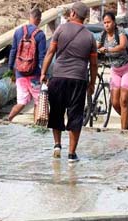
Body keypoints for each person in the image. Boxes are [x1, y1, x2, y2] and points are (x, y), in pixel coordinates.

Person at [39, 1, 98, 163]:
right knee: (75, 115)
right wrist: (92, 83)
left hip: (58, 77)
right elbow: (93, 64)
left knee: (57, 111)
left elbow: (50, 52)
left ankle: (57, 145)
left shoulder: (61, 29)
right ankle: (72, 154)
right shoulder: (90, 37)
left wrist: (43, 72)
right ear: (84, 18)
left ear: (73, 14)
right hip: (78, 79)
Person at [97, 11, 128, 130]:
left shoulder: (120, 32)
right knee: (115, 102)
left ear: (114, 22)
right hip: (116, 70)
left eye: (109, 22)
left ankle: (123, 130)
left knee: (123, 100)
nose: (107, 25)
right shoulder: (103, 35)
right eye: (104, 23)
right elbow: (96, 45)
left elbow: (122, 46)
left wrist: (108, 49)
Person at [6, 7, 46, 122]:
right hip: (35, 75)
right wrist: (44, 74)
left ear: (30, 17)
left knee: (22, 102)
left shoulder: (18, 32)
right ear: (39, 19)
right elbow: (42, 57)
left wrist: (10, 70)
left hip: (20, 73)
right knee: (38, 101)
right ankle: (36, 125)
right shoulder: (40, 35)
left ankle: (9, 119)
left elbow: (13, 51)